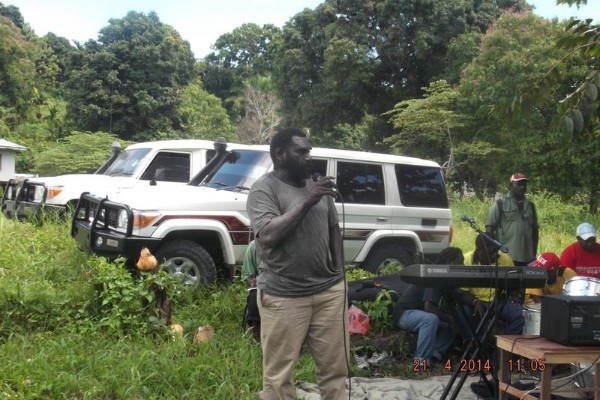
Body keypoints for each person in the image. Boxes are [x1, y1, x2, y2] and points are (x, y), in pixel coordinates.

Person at [246, 128, 347, 400]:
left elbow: (334, 229)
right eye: (301, 152)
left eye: (309, 151)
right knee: (279, 377)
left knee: (335, 371)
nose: (308, 157)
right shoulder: (263, 189)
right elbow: (268, 235)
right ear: (280, 154)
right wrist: (308, 200)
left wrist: (339, 275)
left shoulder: (317, 185)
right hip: (284, 295)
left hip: (329, 293)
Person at [394, 247, 464, 371]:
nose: (463, 265)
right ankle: (420, 363)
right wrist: (451, 319)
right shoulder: (435, 276)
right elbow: (429, 307)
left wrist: (475, 302)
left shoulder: (445, 278)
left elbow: (459, 296)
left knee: (447, 327)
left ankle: (434, 354)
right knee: (431, 319)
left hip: (418, 315)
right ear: (450, 262)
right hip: (404, 314)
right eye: (460, 262)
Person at [456, 233, 524, 336]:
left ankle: (502, 342)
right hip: (475, 302)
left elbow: (515, 283)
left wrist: (512, 295)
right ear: (479, 251)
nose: (495, 255)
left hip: (499, 302)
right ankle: (473, 342)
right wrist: (475, 302)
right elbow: (461, 292)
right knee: (463, 312)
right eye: (491, 252)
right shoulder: (466, 260)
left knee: (521, 315)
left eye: (496, 251)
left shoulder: (505, 259)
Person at [485, 173, 539, 266]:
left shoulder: (530, 206)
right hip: (506, 256)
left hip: (527, 257)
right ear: (511, 185)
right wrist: (492, 251)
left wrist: (533, 254)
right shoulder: (500, 204)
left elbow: (535, 232)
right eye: (518, 184)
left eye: (524, 184)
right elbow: (489, 229)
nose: (522, 187)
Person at [241, 240, 261, 341]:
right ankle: (256, 332)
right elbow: (247, 274)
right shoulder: (255, 246)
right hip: (264, 286)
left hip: (287, 287)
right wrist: (251, 281)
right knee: (254, 297)